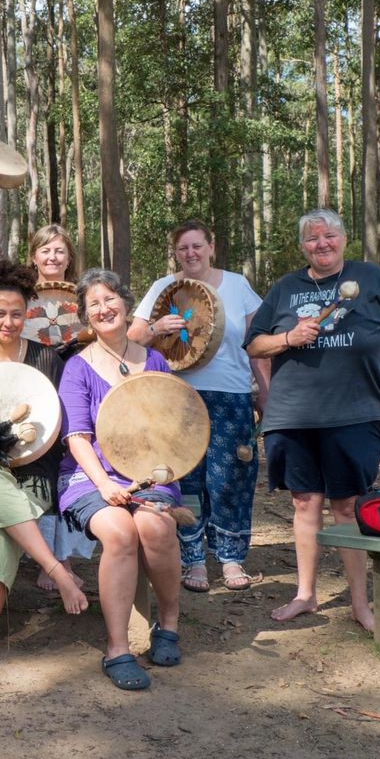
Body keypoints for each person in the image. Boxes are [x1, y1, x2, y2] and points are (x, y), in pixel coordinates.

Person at [244, 208, 380, 630]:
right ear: (302, 247)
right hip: (293, 416)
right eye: (312, 239)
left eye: (329, 236)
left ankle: (360, 604)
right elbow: (254, 345)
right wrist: (289, 337)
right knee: (304, 502)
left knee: (346, 504)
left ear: (344, 240)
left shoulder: (371, 279)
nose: (321, 244)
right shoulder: (286, 288)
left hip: (354, 411)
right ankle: (306, 595)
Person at [0, 262, 88, 668]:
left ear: (28, 312)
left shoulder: (48, 360)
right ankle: (56, 570)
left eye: (15, 313)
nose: (7, 322)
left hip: (34, 471)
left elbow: (58, 425)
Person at [128, 219, 270, 592]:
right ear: (175, 253)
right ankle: (192, 559)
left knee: (230, 478)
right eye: (182, 248)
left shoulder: (238, 286)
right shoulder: (165, 288)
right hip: (178, 398)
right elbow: (134, 336)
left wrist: (265, 394)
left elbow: (256, 345)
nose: (190, 254)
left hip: (232, 396)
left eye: (197, 246)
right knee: (185, 476)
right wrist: (158, 328)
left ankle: (231, 557)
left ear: (211, 247)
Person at [58, 269, 183, 691]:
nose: (103, 308)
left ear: (126, 304)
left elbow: (172, 427)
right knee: (119, 531)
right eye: (93, 303)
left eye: (110, 299)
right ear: (85, 315)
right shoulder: (77, 368)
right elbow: (77, 437)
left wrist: (156, 477)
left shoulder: (154, 361)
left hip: (149, 474)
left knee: (154, 526)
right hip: (87, 477)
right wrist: (105, 485)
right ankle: (117, 649)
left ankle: (168, 624)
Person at [24, 224, 90, 592]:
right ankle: (43, 560)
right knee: (40, 471)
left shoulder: (84, 297)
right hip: (32, 390)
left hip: (74, 389)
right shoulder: (20, 298)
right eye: (45, 251)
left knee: (69, 468)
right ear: (33, 255)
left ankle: (64, 557)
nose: (52, 258)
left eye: (59, 251)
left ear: (69, 257)